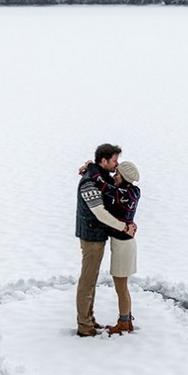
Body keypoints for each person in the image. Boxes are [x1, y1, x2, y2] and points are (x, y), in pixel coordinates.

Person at [75, 144, 136, 337]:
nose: (116, 166)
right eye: (114, 161)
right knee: (88, 281)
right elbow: (100, 213)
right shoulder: (90, 183)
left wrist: (89, 165)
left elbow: (113, 188)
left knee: (91, 281)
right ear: (104, 161)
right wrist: (124, 227)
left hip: (98, 235)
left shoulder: (100, 175)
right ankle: (85, 326)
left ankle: (89, 320)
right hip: (91, 237)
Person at [91, 160, 141, 336]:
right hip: (126, 243)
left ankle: (124, 323)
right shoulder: (134, 191)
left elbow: (102, 185)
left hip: (122, 246)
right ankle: (126, 319)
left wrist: (90, 167)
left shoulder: (123, 194)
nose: (114, 176)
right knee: (122, 287)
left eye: (117, 174)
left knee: (121, 288)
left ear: (125, 178)